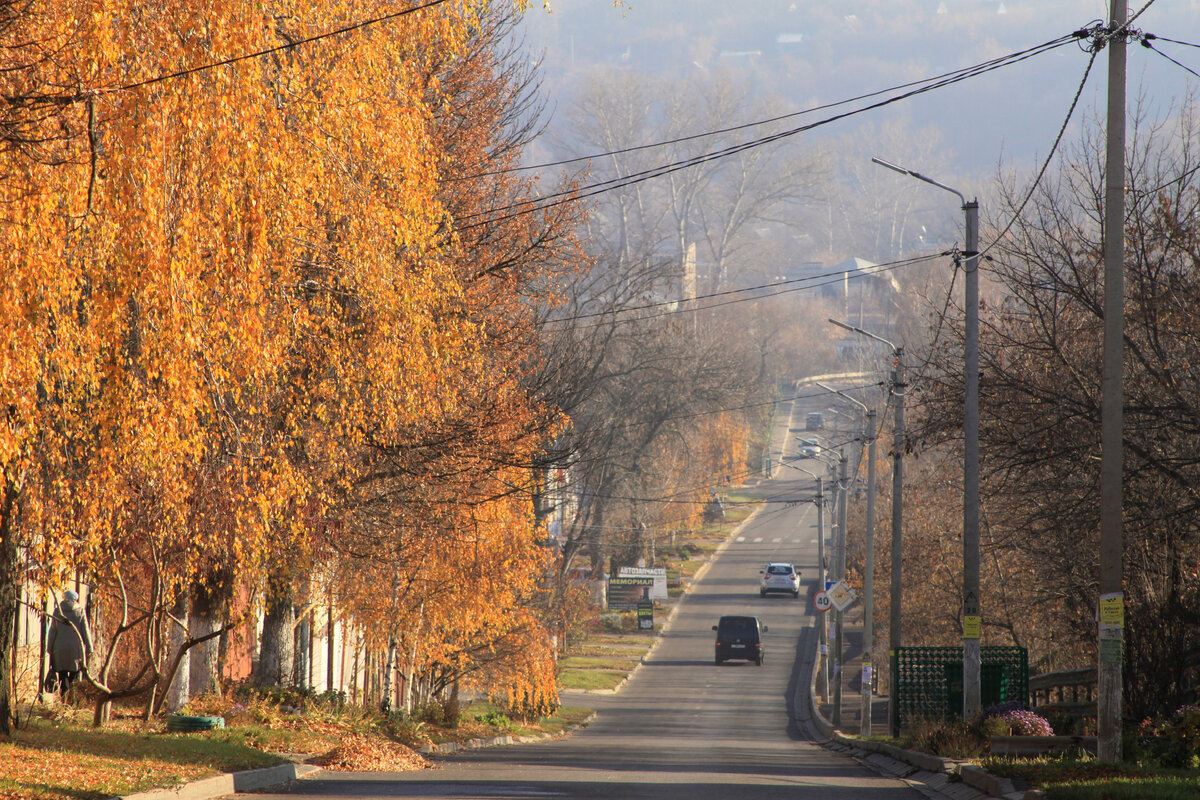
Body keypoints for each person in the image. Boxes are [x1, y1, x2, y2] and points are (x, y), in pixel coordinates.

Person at [47, 590, 91, 700]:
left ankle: (64, 698)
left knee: (62, 675)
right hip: (75, 648)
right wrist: (89, 647)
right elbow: (85, 630)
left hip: (59, 647)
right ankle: (72, 700)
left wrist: (49, 647)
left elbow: (53, 630)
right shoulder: (80, 611)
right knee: (74, 676)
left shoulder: (58, 611)